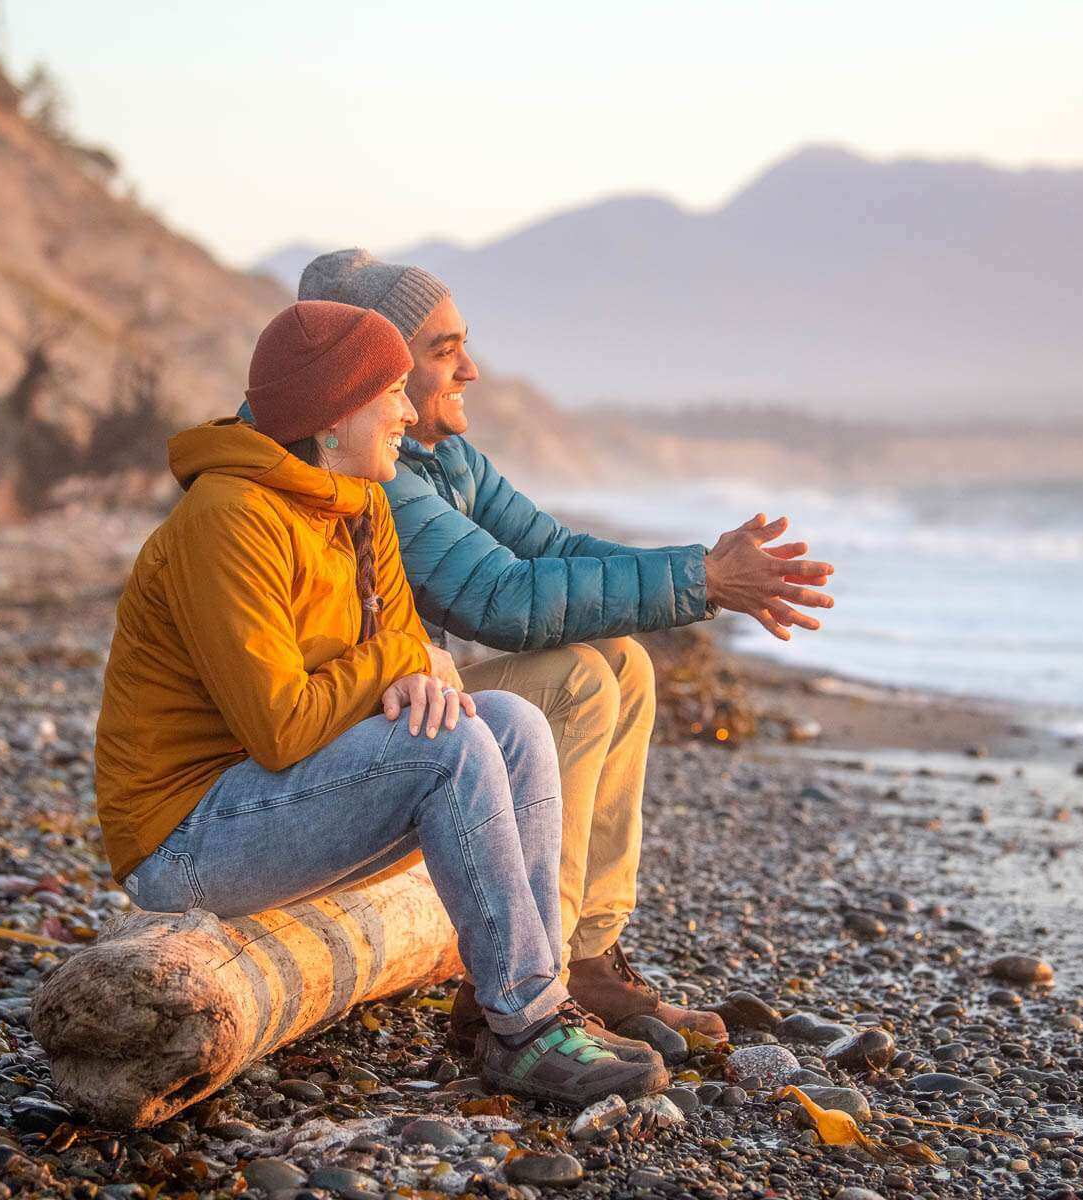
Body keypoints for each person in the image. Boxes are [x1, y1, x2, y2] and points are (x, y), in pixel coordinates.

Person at [94, 300, 668, 1105]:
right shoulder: (228, 520)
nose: (407, 411)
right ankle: (527, 1029)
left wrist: (413, 666)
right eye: (390, 393)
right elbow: (283, 724)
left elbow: (423, 679)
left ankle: (524, 1003)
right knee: (450, 749)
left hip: (278, 804)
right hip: (184, 839)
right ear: (332, 416)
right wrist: (403, 659)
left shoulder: (357, 505)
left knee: (510, 723)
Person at [292, 251, 836, 1057]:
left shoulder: (443, 458)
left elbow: (554, 548)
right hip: (337, 733)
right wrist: (703, 582)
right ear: (382, 371)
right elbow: (499, 599)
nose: (471, 368)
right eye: (445, 351)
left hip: (398, 701)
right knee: (579, 679)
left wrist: (700, 573)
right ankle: (528, 973)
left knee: (621, 661)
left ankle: (586, 955)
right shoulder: (372, 468)